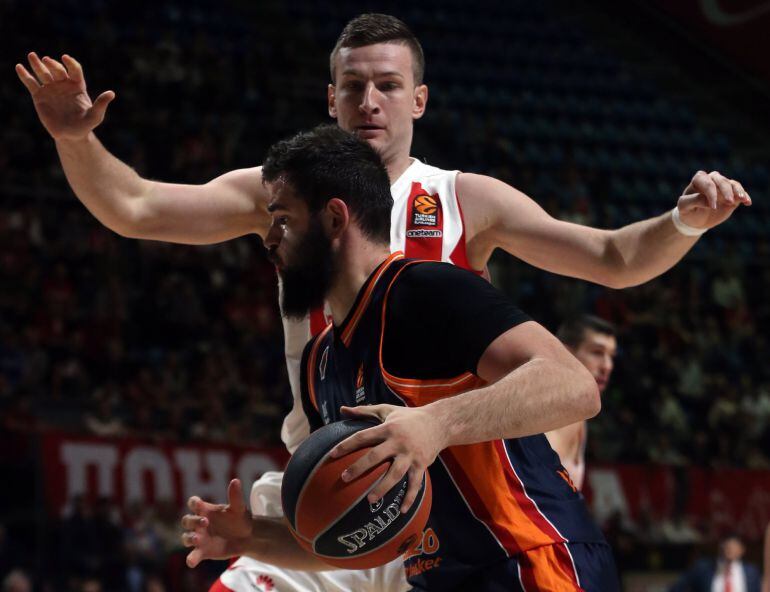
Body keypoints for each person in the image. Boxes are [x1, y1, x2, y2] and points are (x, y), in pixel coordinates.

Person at [16, 13, 751, 592]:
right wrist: (77, 141)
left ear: (420, 99)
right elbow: (136, 207)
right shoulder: (280, 190)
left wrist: (684, 220)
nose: (369, 101)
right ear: (327, 97)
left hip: (451, 486)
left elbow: (614, 259)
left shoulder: (465, 199)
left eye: (389, 85)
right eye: (352, 86)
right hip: (334, 483)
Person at [183, 123, 618, 591]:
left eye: (283, 219)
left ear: (334, 219)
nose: (269, 238)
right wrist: (252, 538)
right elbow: (350, 538)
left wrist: (435, 424)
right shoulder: (320, 365)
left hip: (531, 561)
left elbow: (574, 386)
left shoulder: (426, 290)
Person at [546, 315, 617, 490]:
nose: (607, 366)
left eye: (611, 356)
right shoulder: (544, 412)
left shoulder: (581, 414)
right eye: (597, 352)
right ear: (566, 353)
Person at [668, 533, 760, 592]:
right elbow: (678, 587)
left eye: (734, 546)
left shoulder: (751, 572)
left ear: (742, 550)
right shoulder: (703, 568)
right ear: (721, 547)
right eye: (727, 546)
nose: (730, 549)